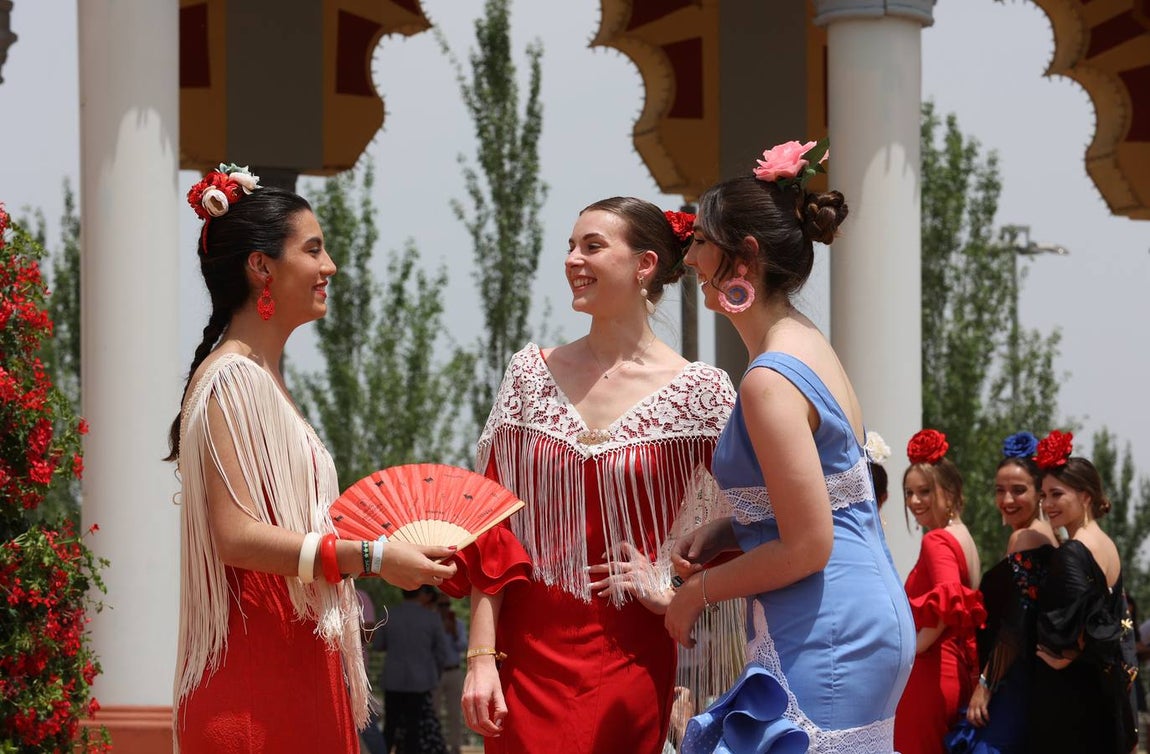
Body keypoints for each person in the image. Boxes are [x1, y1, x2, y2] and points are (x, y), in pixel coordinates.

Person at [169, 165, 457, 753]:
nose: (329, 267)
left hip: (293, 666)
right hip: (258, 691)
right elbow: (236, 537)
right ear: (262, 266)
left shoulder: (262, 379)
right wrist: (373, 556)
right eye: (314, 249)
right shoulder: (232, 380)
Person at [446, 196, 736, 754]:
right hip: (523, 654)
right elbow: (491, 529)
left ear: (645, 264)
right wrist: (481, 657)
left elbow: (751, 519)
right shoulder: (529, 373)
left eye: (592, 246)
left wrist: (677, 587)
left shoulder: (702, 391)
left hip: (632, 651)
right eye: (570, 247)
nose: (573, 259)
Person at [664, 139, 916, 753]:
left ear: (743, 255)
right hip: (858, 615)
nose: (690, 254)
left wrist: (693, 597)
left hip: (823, 627)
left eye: (701, 239)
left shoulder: (769, 380)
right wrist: (733, 526)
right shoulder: (809, 344)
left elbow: (808, 543)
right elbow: (828, 496)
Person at [947, 432, 1057, 753]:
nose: (1007, 500)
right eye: (1000, 490)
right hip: (1026, 677)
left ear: (1039, 493)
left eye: (1018, 490)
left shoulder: (1025, 540)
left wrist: (985, 685)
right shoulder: (1048, 536)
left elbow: (1016, 623)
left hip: (1013, 679)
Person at [1029, 430, 1137, 754]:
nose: (1047, 504)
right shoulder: (1106, 544)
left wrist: (1068, 653)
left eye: (1057, 494)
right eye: (1044, 495)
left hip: (1073, 697)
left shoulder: (1073, 551)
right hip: (1102, 691)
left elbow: (1075, 630)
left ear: (1086, 496)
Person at [893, 429, 985, 754]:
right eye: (909, 492)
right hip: (953, 670)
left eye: (924, 491)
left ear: (949, 491)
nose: (914, 501)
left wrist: (910, 650)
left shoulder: (937, 541)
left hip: (930, 676)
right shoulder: (965, 537)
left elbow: (949, 604)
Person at [377, 586, 452, 754]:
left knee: (390, 725)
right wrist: (436, 675)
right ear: (420, 594)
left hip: (393, 679)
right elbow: (441, 653)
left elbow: (378, 645)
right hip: (421, 681)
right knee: (415, 728)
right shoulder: (432, 618)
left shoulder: (389, 615)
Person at [434, 592, 468, 754]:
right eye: (441, 605)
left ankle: (455, 747)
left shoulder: (458, 624)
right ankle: (436, 746)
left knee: (455, 712)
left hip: (454, 671)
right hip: (436, 672)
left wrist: (453, 631)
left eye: (447, 605)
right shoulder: (432, 624)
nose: (444, 609)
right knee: (435, 711)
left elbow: (463, 646)